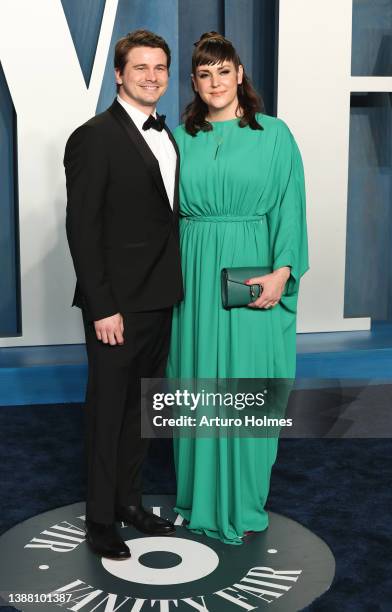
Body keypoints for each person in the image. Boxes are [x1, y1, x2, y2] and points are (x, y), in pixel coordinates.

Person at [166, 32, 309, 544]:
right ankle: (196, 498)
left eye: (223, 71)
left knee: (251, 384)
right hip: (193, 275)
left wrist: (283, 271)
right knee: (194, 382)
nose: (215, 82)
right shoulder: (177, 139)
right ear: (194, 82)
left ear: (240, 74)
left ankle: (242, 501)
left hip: (252, 273)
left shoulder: (275, 134)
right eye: (204, 74)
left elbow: (289, 206)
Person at [64, 30, 183, 559]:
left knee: (141, 410)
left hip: (161, 297)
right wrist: (101, 305)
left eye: (160, 67)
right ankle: (100, 520)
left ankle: (130, 502)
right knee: (107, 412)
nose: (152, 76)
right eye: (141, 68)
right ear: (119, 74)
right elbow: (82, 229)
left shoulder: (170, 135)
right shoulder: (93, 136)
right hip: (116, 306)